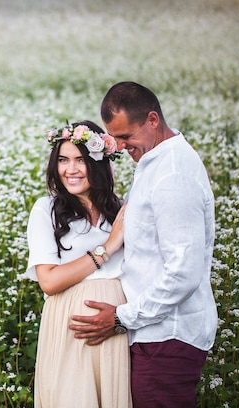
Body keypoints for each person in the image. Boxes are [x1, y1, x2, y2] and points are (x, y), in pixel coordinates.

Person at [68, 82, 218, 408]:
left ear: (152, 119)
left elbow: (183, 272)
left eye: (126, 137)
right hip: (154, 335)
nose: (120, 147)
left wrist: (123, 317)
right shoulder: (155, 161)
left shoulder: (173, 174)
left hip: (167, 336)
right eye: (115, 137)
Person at [25, 120, 131, 407]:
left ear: (98, 163)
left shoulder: (120, 209)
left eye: (80, 160)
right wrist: (107, 249)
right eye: (63, 160)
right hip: (70, 326)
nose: (70, 170)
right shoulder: (45, 209)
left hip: (115, 326)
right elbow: (49, 281)